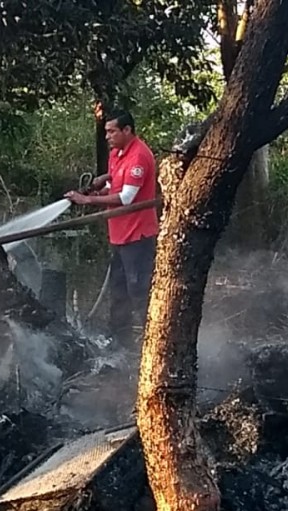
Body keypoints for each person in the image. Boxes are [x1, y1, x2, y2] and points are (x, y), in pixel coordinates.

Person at [65, 109, 159, 346]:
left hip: (138, 235)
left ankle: (154, 343)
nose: (107, 136)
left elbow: (127, 197)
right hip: (119, 234)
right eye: (106, 131)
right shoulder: (117, 154)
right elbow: (115, 185)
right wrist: (100, 189)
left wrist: (88, 200)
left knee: (139, 290)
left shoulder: (138, 156)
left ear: (127, 130)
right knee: (119, 289)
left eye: (111, 131)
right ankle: (119, 340)